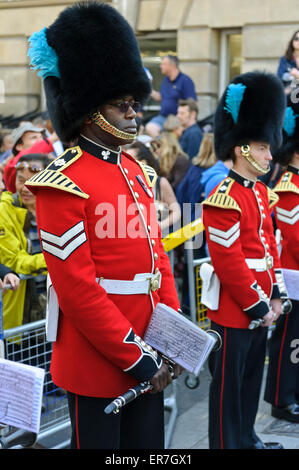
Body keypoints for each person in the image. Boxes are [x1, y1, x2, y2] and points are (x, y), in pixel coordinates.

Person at [26, 1, 182, 450]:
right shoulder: (63, 182)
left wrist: (170, 341)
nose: (135, 113)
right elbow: (78, 288)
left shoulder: (136, 172)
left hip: (150, 348)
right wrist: (136, 356)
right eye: (122, 104)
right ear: (92, 107)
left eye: (135, 103)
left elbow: (159, 262)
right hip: (100, 358)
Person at [202, 70, 287, 449]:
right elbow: (229, 262)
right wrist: (257, 305)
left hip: (259, 305)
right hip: (235, 309)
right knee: (227, 389)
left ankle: (247, 437)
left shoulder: (260, 194)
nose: (271, 155)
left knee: (251, 380)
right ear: (241, 148)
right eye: (264, 147)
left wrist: (278, 296)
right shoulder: (224, 196)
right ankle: (226, 443)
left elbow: (271, 250)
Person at [264, 100, 299, 423]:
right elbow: (296, 238)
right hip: (293, 277)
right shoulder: (289, 186)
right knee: (289, 341)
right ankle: (280, 398)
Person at [0, 154, 48, 330]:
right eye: (21, 180)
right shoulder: (5, 210)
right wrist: (53, 261)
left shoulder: (58, 207)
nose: (26, 188)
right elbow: (13, 260)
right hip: (21, 310)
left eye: (34, 181)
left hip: (58, 307)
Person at [127, 140, 181, 237]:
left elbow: (176, 211)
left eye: (130, 160)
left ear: (143, 162)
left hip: (160, 241)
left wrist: (161, 225)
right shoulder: (126, 182)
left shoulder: (160, 183)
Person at [145, 55, 197, 138]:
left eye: (163, 64)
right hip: (163, 117)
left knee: (171, 133)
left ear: (171, 65)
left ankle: (167, 146)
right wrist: (148, 89)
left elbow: (193, 103)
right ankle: (164, 146)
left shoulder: (185, 80)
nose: (160, 66)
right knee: (150, 128)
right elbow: (160, 97)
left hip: (178, 118)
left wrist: (184, 120)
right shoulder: (165, 80)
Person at [3, 122, 58, 194]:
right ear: (19, 146)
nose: (41, 140)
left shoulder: (49, 159)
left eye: (41, 137)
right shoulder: (15, 165)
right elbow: (17, 162)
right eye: (34, 137)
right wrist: (52, 139)